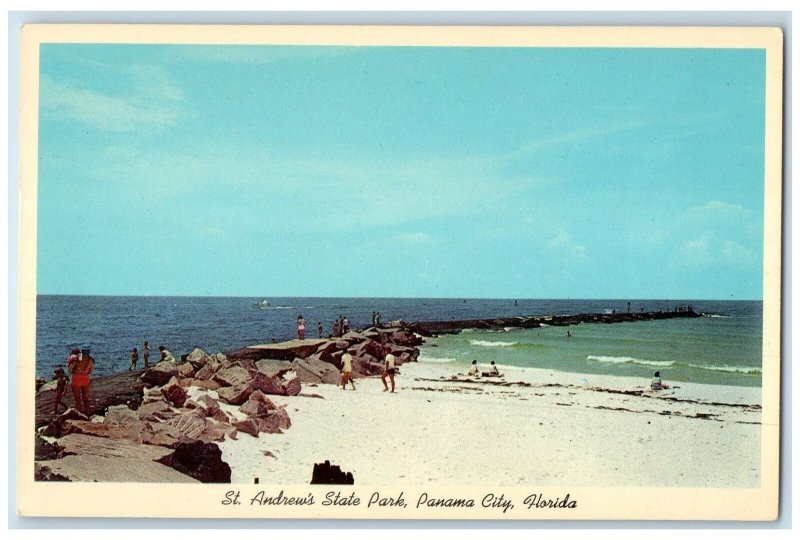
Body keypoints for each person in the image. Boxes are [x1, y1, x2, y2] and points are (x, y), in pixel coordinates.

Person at [68, 347, 95, 416]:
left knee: (77, 399)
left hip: (76, 377)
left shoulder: (76, 359)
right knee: (85, 398)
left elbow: (70, 370)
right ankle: (87, 413)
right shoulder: (91, 360)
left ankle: (79, 414)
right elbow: (91, 371)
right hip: (85, 377)